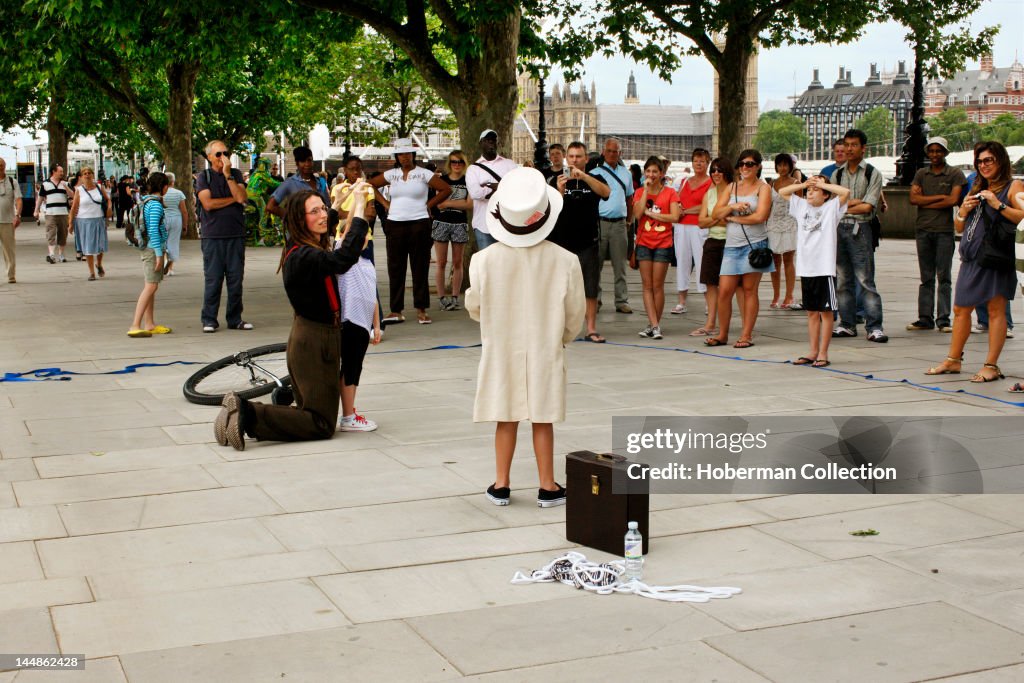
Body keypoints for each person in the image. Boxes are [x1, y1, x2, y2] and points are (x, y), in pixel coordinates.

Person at [465, 167, 585, 507]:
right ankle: (547, 485)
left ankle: (501, 483)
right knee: (542, 416)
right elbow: (575, 313)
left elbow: (475, 306)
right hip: (545, 343)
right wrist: (559, 337)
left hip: (502, 343)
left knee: (506, 414)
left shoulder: (482, 261)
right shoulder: (565, 260)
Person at [214, 190, 370, 451]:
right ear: (300, 219)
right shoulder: (303, 256)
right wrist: (361, 209)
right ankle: (245, 412)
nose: (323, 216)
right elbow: (342, 260)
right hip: (314, 340)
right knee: (320, 423)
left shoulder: (306, 244)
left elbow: (327, 222)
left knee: (313, 412)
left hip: (317, 337)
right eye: (315, 211)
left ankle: (245, 414)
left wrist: (342, 205)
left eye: (323, 209)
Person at [926, 142, 1024, 383]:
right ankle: (953, 359)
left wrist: (997, 204)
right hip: (971, 258)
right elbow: (959, 226)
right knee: (960, 309)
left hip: (995, 258)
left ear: (1001, 161)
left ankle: (991, 365)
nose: (983, 165)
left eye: (988, 160)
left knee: (995, 310)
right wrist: (963, 211)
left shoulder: (1014, 186)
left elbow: (1022, 216)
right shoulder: (977, 186)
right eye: (980, 161)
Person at [369, 139, 452, 325]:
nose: (404, 157)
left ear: (413, 155)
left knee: (419, 266)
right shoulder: (392, 174)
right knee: (395, 267)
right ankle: (396, 310)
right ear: (397, 157)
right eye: (400, 154)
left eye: (407, 153)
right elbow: (370, 185)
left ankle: (421, 310)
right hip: (395, 224)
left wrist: (428, 205)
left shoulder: (423, 174)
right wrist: (385, 203)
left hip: (419, 224)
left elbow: (446, 189)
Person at [778, 175, 851, 367]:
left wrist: (822, 184)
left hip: (823, 267)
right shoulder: (801, 206)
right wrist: (804, 184)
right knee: (811, 312)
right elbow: (782, 192)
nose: (811, 190)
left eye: (816, 188)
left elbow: (846, 193)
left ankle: (823, 352)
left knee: (825, 312)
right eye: (810, 188)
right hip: (807, 267)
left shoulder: (831, 208)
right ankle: (812, 350)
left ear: (826, 194)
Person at [706, 149, 774, 349]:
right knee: (724, 291)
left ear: (758, 166)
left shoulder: (764, 188)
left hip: (754, 245)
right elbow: (716, 213)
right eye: (742, 164)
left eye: (750, 164)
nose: (745, 167)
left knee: (749, 290)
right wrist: (732, 207)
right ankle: (723, 334)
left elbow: (760, 216)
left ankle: (746, 335)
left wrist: (733, 218)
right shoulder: (732, 187)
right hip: (732, 246)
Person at [547, 141, 610, 342]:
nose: (574, 160)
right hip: (561, 243)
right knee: (560, 288)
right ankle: (559, 328)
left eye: (579, 156)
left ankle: (591, 328)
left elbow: (606, 192)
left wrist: (584, 176)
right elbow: (550, 209)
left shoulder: (595, 178)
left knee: (590, 288)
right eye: (572, 156)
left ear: (586, 159)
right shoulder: (555, 180)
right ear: (567, 158)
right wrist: (559, 190)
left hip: (588, 241)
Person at [830, 129, 887, 342]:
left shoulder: (872, 173)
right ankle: (847, 323)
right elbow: (832, 204)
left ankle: (874, 326)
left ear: (863, 148)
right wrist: (854, 202)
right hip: (840, 228)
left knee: (865, 279)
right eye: (846, 144)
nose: (849, 149)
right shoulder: (837, 174)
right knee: (842, 279)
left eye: (854, 145)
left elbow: (868, 206)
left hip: (861, 229)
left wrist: (846, 204)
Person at [335, 185, 382, 432]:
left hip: (363, 323)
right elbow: (350, 228)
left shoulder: (367, 264)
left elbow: (372, 296)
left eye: (365, 236)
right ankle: (347, 416)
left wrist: (376, 326)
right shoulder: (344, 258)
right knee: (349, 367)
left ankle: (349, 413)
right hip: (349, 320)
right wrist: (357, 201)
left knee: (355, 367)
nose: (362, 238)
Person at [907, 137, 966, 333]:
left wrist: (926, 201)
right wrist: (940, 197)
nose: (934, 154)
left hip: (943, 231)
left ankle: (943, 319)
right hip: (923, 230)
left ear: (945, 153)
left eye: (938, 151)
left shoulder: (955, 173)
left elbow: (953, 200)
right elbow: (913, 199)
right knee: (926, 277)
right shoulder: (921, 173)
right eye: (931, 151)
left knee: (944, 276)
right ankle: (925, 318)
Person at [196, 140, 253, 333]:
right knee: (213, 279)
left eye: (225, 153)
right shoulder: (204, 177)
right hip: (213, 236)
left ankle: (235, 318)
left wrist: (228, 176)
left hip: (235, 234)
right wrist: (233, 200)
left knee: (236, 279)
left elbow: (242, 197)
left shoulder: (235, 174)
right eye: (218, 154)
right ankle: (209, 319)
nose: (223, 158)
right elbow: (208, 204)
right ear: (210, 157)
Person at [632, 156, 682, 339]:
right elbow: (637, 215)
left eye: (655, 171)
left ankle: (654, 324)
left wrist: (651, 214)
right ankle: (654, 325)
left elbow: (675, 217)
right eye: (648, 171)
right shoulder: (639, 192)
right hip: (644, 242)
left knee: (657, 285)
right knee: (646, 285)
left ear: (661, 174)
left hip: (663, 243)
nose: (651, 174)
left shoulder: (670, 193)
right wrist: (645, 191)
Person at [591, 138, 634, 314]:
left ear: (620, 154)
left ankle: (621, 300)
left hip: (619, 223)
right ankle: (596, 299)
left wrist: (629, 220)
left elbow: (630, 198)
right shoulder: (594, 172)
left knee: (620, 264)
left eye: (615, 151)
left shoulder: (626, 173)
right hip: (600, 223)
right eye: (609, 151)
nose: (612, 154)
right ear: (603, 152)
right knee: (596, 265)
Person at [692, 158, 734, 336]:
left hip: (732, 242)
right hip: (712, 241)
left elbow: (730, 222)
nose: (716, 173)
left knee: (733, 287)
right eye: (713, 170)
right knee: (710, 283)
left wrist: (714, 219)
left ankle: (736, 325)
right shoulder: (709, 194)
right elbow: (701, 222)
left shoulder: (734, 191)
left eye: (720, 170)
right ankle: (710, 323)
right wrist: (718, 218)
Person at [127, 173, 172, 338]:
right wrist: (160, 255)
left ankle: (149, 323)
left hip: (149, 248)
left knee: (151, 285)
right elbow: (153, 229)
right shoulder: (156, 205)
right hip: (153, 249)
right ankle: (135, 324)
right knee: (151, 286)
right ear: (164, 186)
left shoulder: (147, 202)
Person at [671, 148, 712, 315]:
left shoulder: (711, 183)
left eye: (702, 161)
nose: (699, 163)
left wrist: (686, 211)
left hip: (699, 226)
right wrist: (679, 209)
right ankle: (682, 300)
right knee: (682, 261)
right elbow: (678, 200)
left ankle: (708, 301)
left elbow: (707, 206)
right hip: (682, 226)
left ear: (708, 163)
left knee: (703, 263)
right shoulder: (685, 181)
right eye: (696, 160)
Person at [432, 150, 472, 311]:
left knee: (457, 262)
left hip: (459, 223)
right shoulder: (442, 180)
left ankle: (455, 297)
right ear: (449, 163)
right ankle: (442, 297)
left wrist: (449, 203)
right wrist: (459, 202)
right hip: (442, 222)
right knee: (441, 262)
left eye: (460, 162)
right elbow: (438, 204)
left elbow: (469, 205)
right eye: (454, 162)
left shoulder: (468, 181)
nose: (457, 165)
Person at [465, 129, 518, 251]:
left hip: (507, 224)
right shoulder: (473, 169)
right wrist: (502, 187)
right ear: (481, 143)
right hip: (483, 225)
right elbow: (476, 193)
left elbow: (516, 188)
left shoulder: (509, 164)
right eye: (487, 140)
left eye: (493, 141)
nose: (491, 143)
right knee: (487, 266)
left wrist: (490, 185)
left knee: (507, 264)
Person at [766, 154, 800, 310]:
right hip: (773, 223)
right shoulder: (772, 183)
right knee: (774, 261)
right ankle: (776, 294)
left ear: (790, 166)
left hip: (789, 222)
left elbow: (800, 205)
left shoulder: (796, 183)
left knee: (788, 259)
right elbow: (769, 205)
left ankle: (789, 295)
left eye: (785, 165)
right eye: (779, 165)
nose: (783, 168)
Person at [67, 167, 111, 281]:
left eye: (89, 173)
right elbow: (74, 207)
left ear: (93, 175)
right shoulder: (79, 190)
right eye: (84, 174)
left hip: (99, 219)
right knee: (88, 247)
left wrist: (109, 208)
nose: (87, 175)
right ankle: (91, 272)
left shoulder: (98, 187)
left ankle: (99, 264)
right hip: (84, 221)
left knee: (101, 245)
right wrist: (70, 223)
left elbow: (108, 199)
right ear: (81, 177)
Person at [267, 146, 330, 218]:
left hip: (320, 226)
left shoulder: (321, 182)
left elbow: (327, 205)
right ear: (297, 163)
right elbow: (270, 206)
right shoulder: (289, 183)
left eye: (309, 160)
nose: (307, 164)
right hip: (298, 228)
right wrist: (293, 218)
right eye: (303, 161)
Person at [35, 164, 72, 263]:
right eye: (60, 171)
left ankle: (61, 254)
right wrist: (36, 210)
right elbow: (40, 198)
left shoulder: (65, 183)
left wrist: (66, 187)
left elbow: (73, 195)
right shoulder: (45, 184)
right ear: (53, 172)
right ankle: (51, 254)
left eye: (62, 171)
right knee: (51, 233)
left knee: (63, 234)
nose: (62, 173)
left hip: (63, 212)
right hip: (50, 213)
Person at [0, 158, 22, 284]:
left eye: (2, 165)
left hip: (7, 221)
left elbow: (18, 199)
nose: (0, 167)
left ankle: (11, 275)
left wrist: (17, 215)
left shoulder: (12, 181)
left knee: (9, 250)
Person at [162, 172, 187, 276]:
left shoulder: (161, 193)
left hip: (163, 219)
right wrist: (185, 225)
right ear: (173, 181)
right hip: (176, 219)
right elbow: (184, 211)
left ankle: (164, 262)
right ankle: (170, 268)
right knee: (173, 243)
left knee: (162, 242)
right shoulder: (179, 193)